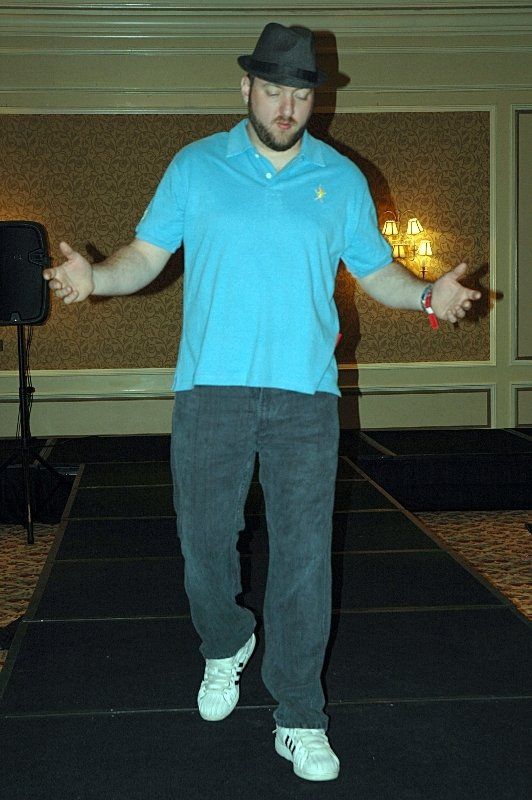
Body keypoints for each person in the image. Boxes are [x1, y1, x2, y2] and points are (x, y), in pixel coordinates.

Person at [43, 22, 481, 783]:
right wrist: (96, 278)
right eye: (273, 89)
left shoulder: (340, 180)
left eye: (300, 93)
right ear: (245, 87)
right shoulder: (195, 167)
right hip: (210, 389)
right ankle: (225, 643)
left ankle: (299, 716)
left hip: (304, 397)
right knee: (204, 549)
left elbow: (378, 273)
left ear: (316, 99)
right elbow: (146, 256)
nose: (286, 106)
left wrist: (428, 300)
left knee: (305, 562)